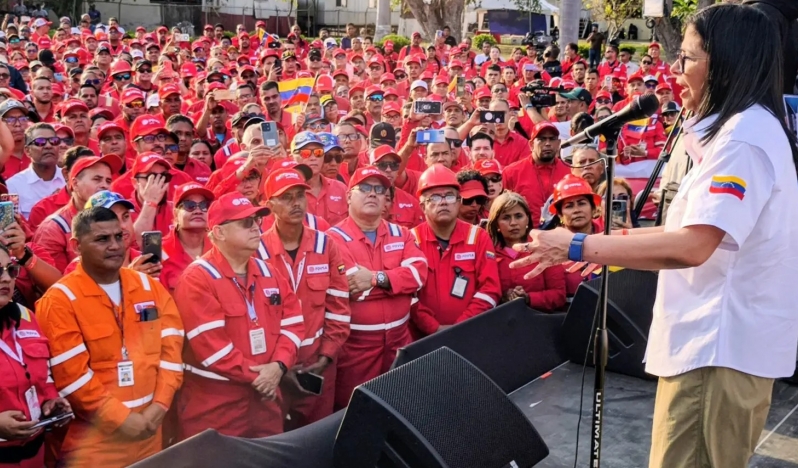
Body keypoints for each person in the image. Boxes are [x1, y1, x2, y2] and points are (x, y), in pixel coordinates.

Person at [511, 6, 798, 467]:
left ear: (724, 63)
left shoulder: (742, 140)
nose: (674, 71)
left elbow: (693, 247)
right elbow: (706, 229)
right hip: (714, 348)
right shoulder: (744, 130)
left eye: (686, 58)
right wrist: (620, 241)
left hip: (716, 351)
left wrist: (578, 244)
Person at [37, 206, 184, 467]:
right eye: (102, 239)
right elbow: (72, 377)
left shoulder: (149, 286)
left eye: (119, 237)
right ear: (76, 246)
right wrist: (123, 420)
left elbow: (172, 353)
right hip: (94, 445)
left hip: (150, 431)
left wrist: (160, 406)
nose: (115, 246)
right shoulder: (60, 300)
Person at [174, 192, 304, 440]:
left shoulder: (269, 272)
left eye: (257, 221)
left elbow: (294, 323)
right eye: (246, 223)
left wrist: (278, 366)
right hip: (215, 407)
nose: (256, 228)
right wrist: (263, 376)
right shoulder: (197, 279)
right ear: (219, 233)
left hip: (265, 401)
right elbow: (211, 348)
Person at [326, 166, 428, 410]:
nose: (373, 194)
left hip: (399, 344)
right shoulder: (332, 238)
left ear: (386, 199)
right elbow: (353, 286)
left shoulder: (401, 233)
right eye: (365, 188)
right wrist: (397, 284)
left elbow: (419, 274)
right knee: (355, 412)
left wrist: (376, 279)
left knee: (403, 409)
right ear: (349, 196)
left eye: (379, 189)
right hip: (355, 349)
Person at [259, 169, 351, 430]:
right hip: (274, 371)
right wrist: (280, 367)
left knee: (318, 438)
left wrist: (327, 355)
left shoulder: (326, 244)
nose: (296, 203)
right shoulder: (257, 251)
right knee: (274, 441)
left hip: (318, 365)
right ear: (269, 205)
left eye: (300, 195)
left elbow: (339, 306)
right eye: (286, 197)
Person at [0, 243, 72, 466]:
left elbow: (43, 372)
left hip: (35, 454)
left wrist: (50, 398)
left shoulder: (26, 315)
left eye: (10, 270)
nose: (5, 278)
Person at [410, 165, 500, 338]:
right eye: (434, 197)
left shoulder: (478, 237)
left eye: (449, 196)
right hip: (422, 339)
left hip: (470, 335)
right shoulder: (411, 240)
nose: (443, 202)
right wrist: (432, 328)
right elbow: (407, 295)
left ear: (459, 201)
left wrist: (459, 328)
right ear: (422, 206)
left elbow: (490, 289)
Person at [34, 154, 120, 273]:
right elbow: (54, 283)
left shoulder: (117, 217)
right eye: (97, 179)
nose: (104, 185)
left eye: (108, 180)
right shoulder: (53, 228)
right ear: (75, 184)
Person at [487, 191, 566, 311]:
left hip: (540, 320)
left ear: (528, 219)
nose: (513, 223)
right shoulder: (487, 252)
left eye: (518, 216)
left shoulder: (546, 247)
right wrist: (503, 296)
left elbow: (559, 295)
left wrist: (528, 298)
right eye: (506, 217)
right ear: (496, 223)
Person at [502, 122, 571, 226]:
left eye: (552, 139)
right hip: (526, 236)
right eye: (541, 139)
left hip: (561, 234)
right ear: (531, 144)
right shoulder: (511, 172)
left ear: (558, 143)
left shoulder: (570, 171)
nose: (547, 143)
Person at [160, 183, 214, 295]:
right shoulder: (161, 251)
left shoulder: (220, 247)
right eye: (190, 205)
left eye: (204, 205)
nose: (198, 211)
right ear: (175, 213)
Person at [7, 123, 65, 219]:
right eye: (40, 142)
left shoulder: (71, 179)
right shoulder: (13, 186)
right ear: (27, 151)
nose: (48, 146)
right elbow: (14, 226)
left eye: (53, 141)